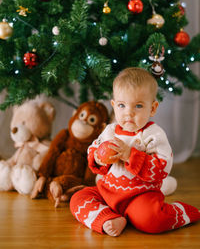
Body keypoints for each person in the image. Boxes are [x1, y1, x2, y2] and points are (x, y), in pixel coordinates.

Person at [70, 67, 200, 237]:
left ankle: (183, 212)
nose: (129, 113)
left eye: (138, 106)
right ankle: (109, 218)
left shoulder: (153, 135)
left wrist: (129, 155)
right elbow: (94, 148)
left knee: (152, 220)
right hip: (107, 192)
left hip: (140, 196)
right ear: (114, 106)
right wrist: (98, 157)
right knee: (78, 199)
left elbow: (162, 167)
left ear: (152, 108)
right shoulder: (110, 130)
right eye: (122, 105)